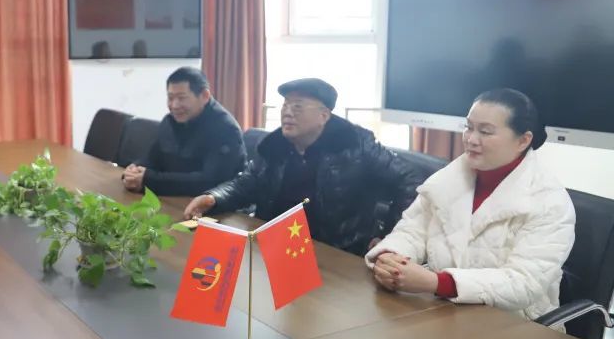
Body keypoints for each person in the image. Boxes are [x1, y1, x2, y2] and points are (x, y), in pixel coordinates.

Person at [366, 89, 574, 320]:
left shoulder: (550, 202)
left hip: (514, 324)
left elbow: (523, 283)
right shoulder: (447, 179)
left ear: (523, 140)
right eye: (469, 127)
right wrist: (392, 258)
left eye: (485, 131)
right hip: (443, 312)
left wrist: (437, 283)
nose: (471, 139)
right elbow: (412, 231)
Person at [184, 78, 422, 255]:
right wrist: (214, 197)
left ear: (324, 115)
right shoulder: (274, 145)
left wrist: (391, 236)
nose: (287, 113)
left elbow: (410, 181)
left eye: (297, 107)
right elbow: (249, 182)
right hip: (275, 246)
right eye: (285, 106)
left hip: (336, 253)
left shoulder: (356, 144)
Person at [122, 67, 246, 197]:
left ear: (204, 96)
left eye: (182, 98)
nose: (175, 105)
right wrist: (134, 170)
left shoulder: (225, 129)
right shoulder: (170, 121)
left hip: (211, 204)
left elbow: (210, 181)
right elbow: (153, 157)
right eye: (170, 98)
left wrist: (149, 180)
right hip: (171, 198)